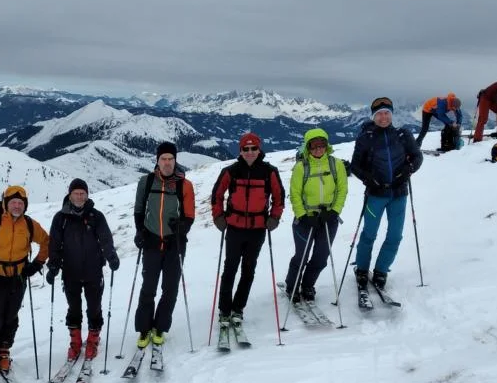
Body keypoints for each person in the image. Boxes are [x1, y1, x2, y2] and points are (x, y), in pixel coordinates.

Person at [210, 132, 284, 326]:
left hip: (257, 228)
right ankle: (224, 310)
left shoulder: (270, 172)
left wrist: (275, 217)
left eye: (253, 148)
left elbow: (279, 198)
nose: (250, 152)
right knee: (229, 270)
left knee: (248, 270)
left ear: (259, 150)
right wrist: (218, 216)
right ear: (240, 151)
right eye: (246, 149)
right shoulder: (231, 171)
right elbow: (216, 195)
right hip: (234, 227)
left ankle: (238, 309)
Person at [349, 98, 424, 290]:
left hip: (399, 194)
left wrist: (408, 169)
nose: (383, 117)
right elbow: (355, 165)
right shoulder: (366, 137)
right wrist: (369, 179)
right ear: (373, 116)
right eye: (379, 114)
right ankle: (362, 269)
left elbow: (417, 156)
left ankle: (381, 270)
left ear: (391, 114)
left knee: (395, 236)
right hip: (376, 194)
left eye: (386, 113)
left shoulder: (403, 135)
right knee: (369, 234)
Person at [0, 185, 50, 377]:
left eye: (20, 203)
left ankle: (4, 351)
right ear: (6, 204)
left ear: (25, 205)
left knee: (11, 316)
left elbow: (46, 242)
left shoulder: (29, 224)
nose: (17, 206)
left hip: (18, 277)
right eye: (13, 203)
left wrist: (37, 264)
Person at [46, 178, 120, 362]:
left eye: (82, 193)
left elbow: (105, 239)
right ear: (69, 195)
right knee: (74, 308)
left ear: (87, 195)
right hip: (70, 271)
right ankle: (76, 341)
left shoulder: (96, 216)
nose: (79, 196)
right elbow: (54, 244)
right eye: (76, 193)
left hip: (93, 271)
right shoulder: (60, 218)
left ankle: (93, 340)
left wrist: (111, 256)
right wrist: (53, 265)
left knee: (94, 307)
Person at [133, 142, 196, 348]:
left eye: (170, 159)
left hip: (174, 244)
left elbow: (189, 215)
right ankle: (144, 328)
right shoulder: (147, 181)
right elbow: (139, 210)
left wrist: (181, 227)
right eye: (163, 159)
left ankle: (160, 327)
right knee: (148, 288)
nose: (167, 163)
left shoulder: (184, 185)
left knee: (170, 289)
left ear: (175, 160)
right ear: (157, 161)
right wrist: (139, 231)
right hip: (151, 241)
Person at [284, 128, 348, 303]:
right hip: (305, 219)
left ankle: (307, 285)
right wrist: (303, 215)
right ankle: (292, 286)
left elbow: (342, 190)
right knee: (301, 256)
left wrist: (335, 211)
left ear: (327, 146)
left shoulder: (336, 164)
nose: (318, 149)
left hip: (329, 218)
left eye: (322, 145)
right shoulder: (301, 167)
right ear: (308, 147)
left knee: (321, 257)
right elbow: (295, 193)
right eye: (314, 146)